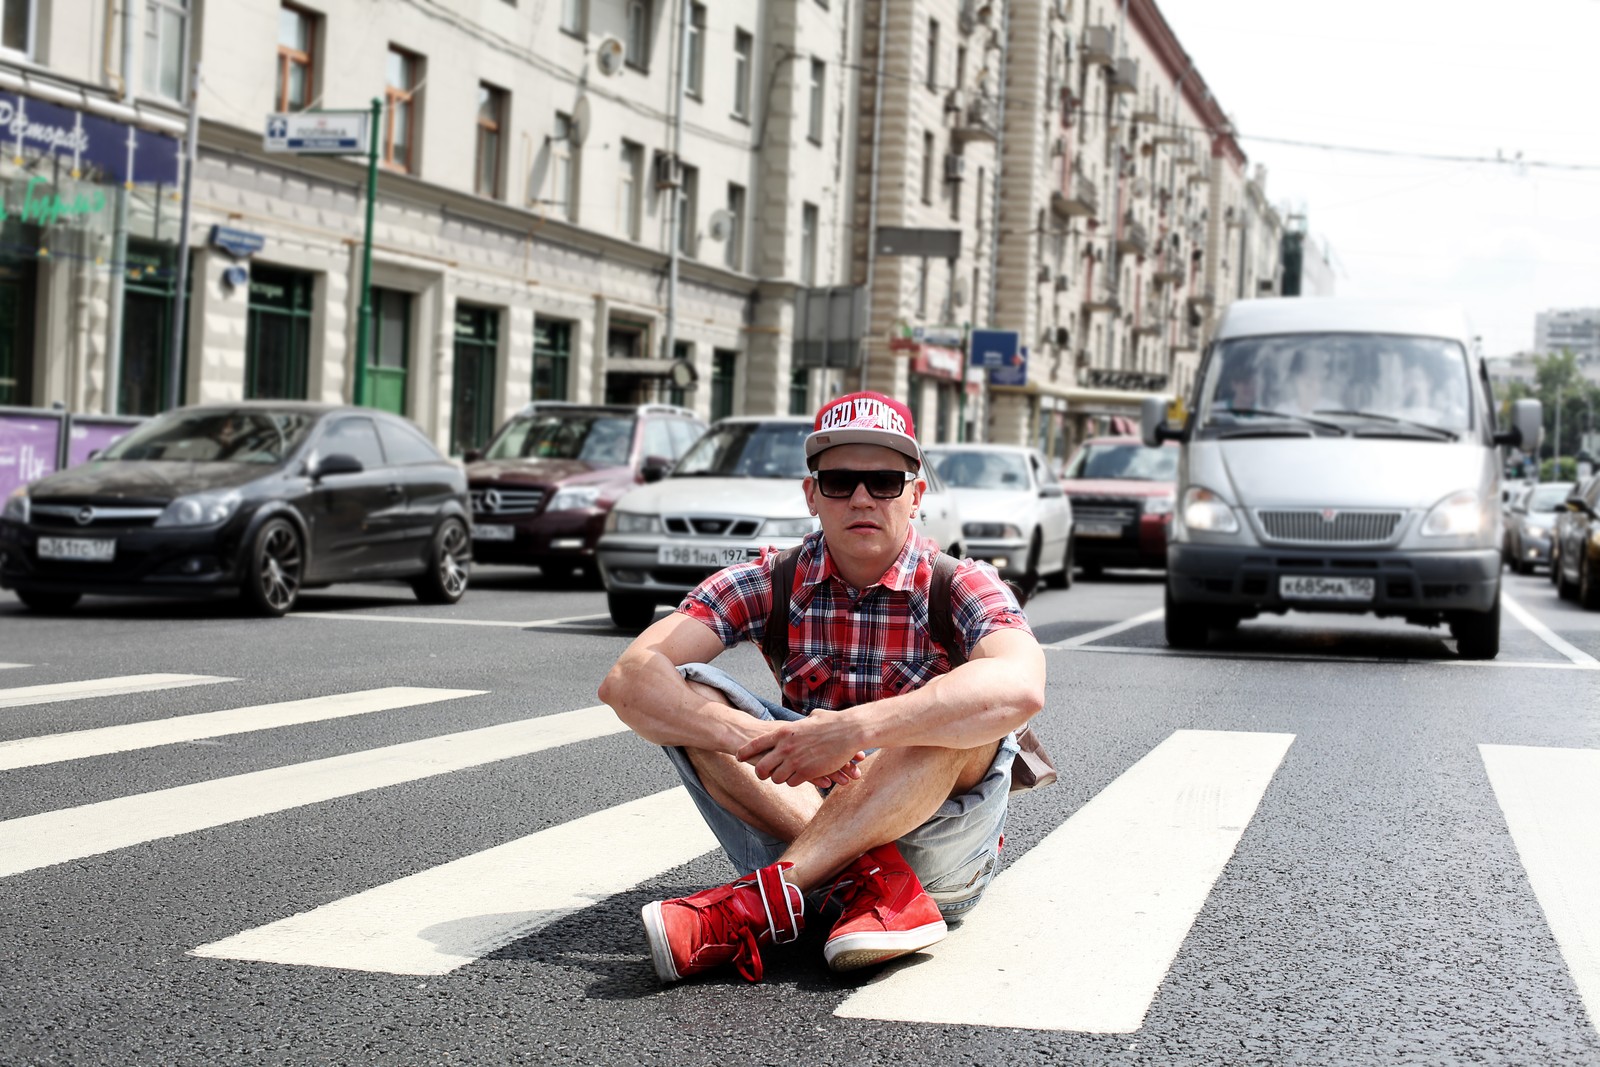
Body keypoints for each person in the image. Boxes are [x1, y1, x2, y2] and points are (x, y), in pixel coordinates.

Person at [597, 391, 1046, 984]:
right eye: (839, 480)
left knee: (955, 708)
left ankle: (756, 904)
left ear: (916, 493)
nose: (862, 497)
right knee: (693, 691)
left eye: (885, 480)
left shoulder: (960, 583)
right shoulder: (769, 580)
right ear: (812, 495)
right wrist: (755, 734)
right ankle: (872, 885)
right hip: (811, 821)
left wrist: (854, 730)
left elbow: (1021, 686)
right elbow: (628, 680)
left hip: (937, 853)